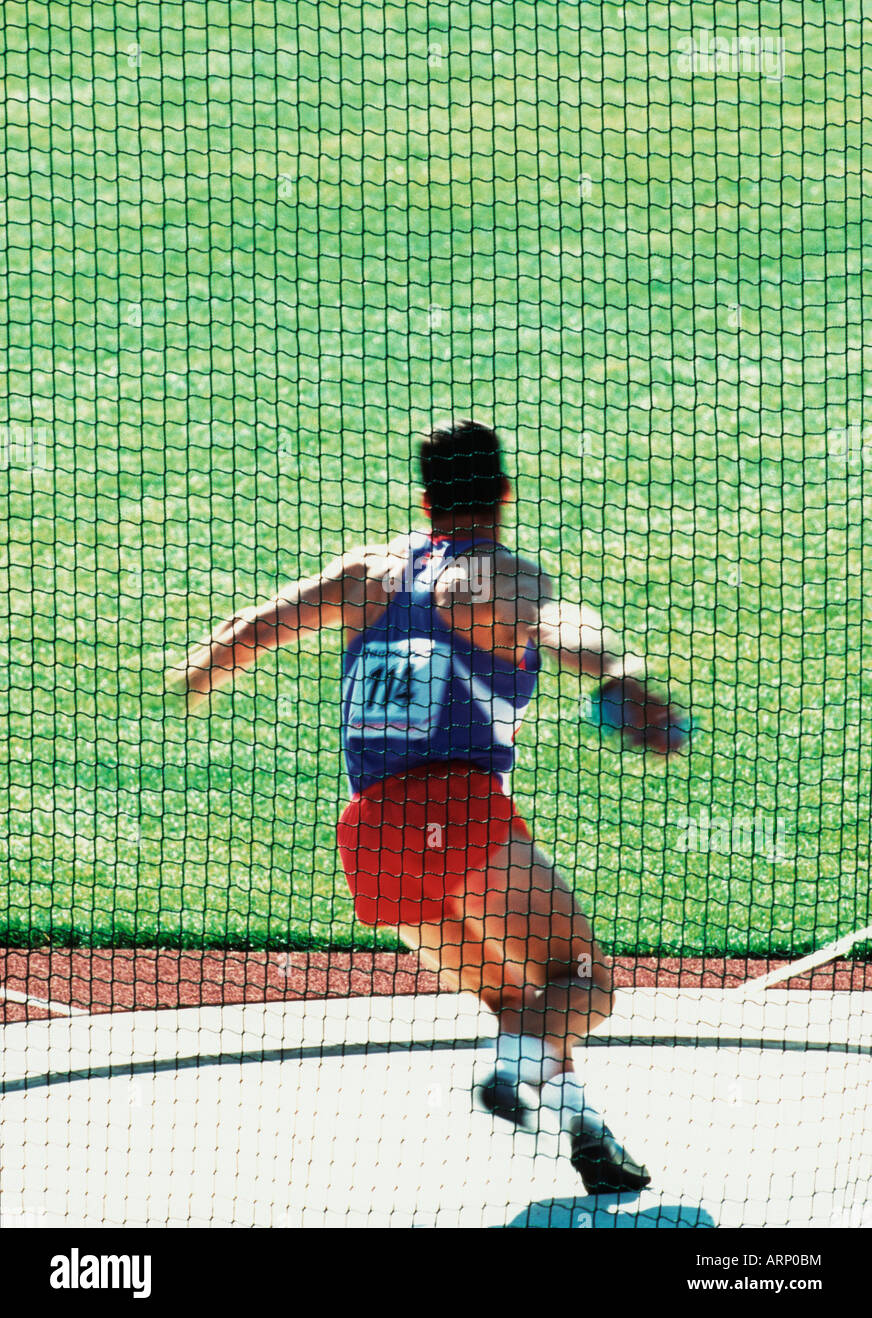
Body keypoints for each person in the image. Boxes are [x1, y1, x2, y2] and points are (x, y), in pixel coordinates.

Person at [171, 419, 691, 1193]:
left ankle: (589, 1140)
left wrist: (198, 675)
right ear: (504, 492)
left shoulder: (365, 575)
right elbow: (557, 626)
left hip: (371, 841)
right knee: (585, 985)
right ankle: (508, 1084)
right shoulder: (493, 577)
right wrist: (620, 670)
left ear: (425, 498)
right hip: (461, 816)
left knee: (522, 1003)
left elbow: (250, 630)